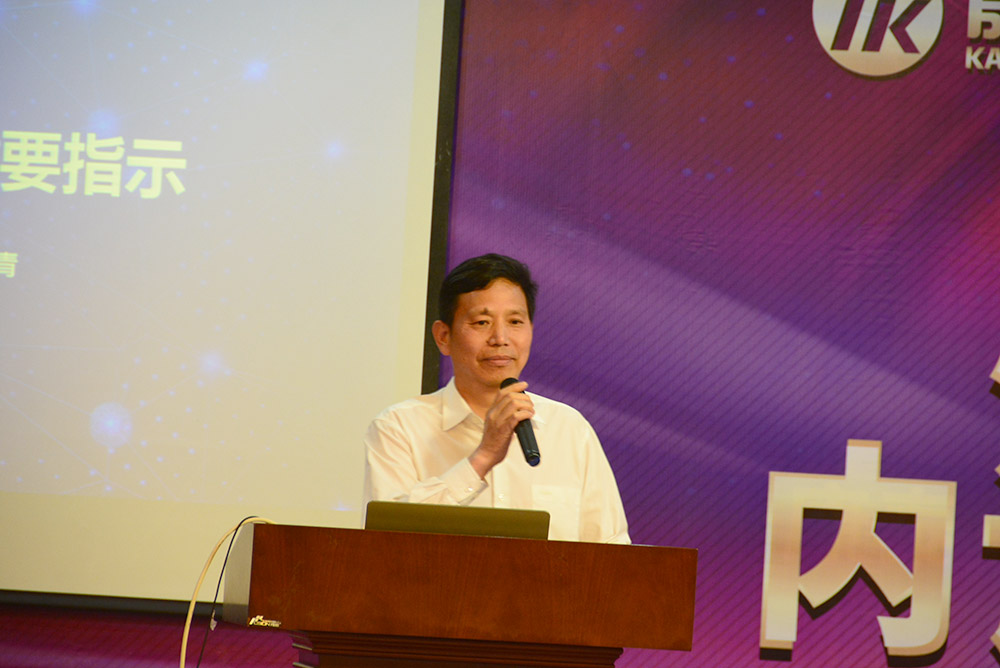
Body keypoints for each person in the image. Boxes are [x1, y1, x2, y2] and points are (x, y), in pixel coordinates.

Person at [363, 253, 630, 544]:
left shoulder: (569, 428)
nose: (500, 338)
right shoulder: (398, 427)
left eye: (515, 321)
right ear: (443, 337)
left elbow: (612, 549)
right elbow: (387, 543)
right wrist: (484, 456)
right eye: (482, 322)